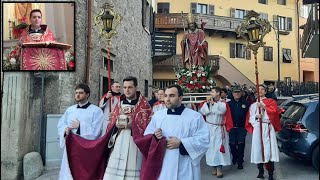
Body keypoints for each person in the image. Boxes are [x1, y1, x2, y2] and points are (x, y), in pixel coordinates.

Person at [143, 84, 209, 180]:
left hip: (185, 165)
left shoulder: (194, 116)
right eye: (165, 96)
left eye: (172, 96)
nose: (167, 99)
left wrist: (181, 143)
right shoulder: (158, 116)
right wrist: (155, 136)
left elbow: (204, 139)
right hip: (164, 164)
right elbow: (147, 136)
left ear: (180, 98)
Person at [57, 83, 104, 180]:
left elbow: (97, 131)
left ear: (87, 94)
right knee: (68, 171)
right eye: (76, 93)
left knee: (82, 172)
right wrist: (64, 130)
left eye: (81, 93)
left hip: (85, 148)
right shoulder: (70, 110)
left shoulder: (96, 111)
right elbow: (61, 124)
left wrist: (80, 127)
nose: (77, 95)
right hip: (70, 147)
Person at [245, 84, 281, 180]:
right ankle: (260, 171)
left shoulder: (271, 101)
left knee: (268, 151)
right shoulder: (253, 105)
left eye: (262, 89)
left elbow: (274, 113)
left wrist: (264, 107)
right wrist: (256, 116)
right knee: (258, 150)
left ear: (265, 91)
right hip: (258, 128)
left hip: (267, 127)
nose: (260, 91)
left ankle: (270, 174)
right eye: (258, 89)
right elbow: (249, 118)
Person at [199, 86, 233, 178]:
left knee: (219, 148)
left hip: (219, 128)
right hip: (210, 128)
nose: (211, 93)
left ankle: (219, 167)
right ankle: (213, 166)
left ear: (218, 93)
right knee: (211, 148)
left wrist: (213, 104)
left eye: (213, 92)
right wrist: (208, 104)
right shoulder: (206, 103)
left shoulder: (223, 103)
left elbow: (222, 111)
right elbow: (203, 112)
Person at [228, 85, 250, 169]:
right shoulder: (228, 103)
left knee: (241, 145)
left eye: (238, 92)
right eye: (235, 92)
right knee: (232, 145)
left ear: (241, 93)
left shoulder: (246, 103)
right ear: (232, 93)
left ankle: (240, 162)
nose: (237, 94)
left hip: (241, 128)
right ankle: (234, 157)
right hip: (232, 128)